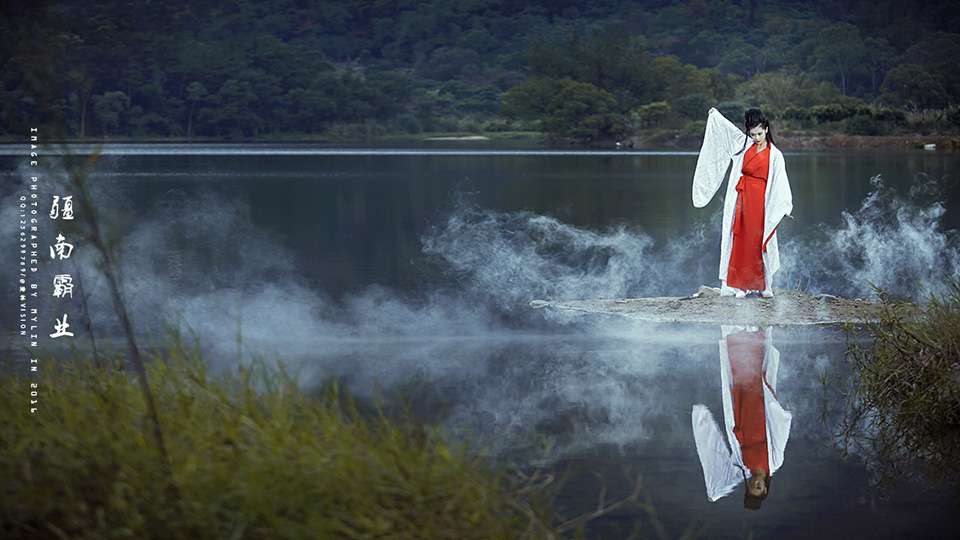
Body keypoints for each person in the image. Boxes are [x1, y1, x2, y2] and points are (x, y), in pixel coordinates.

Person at [691, 107, 793, 298]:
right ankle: (742, 286)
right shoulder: (743, 145)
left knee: (759, 241)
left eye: (760, 133)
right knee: (741, 241)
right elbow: (727, 130)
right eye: (753, 134)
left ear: (766, 129)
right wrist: (715, 116)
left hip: (761, 202)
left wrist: (783, 206)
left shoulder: (775, 155)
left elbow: (780, 182)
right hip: (742, 199)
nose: (756, 138)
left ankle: (765, 285)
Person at [691, 326, 792, 510]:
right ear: (765, 489)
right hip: (761, 412)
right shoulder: (774, 462)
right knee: (756, 371)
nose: (755, 484)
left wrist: (715, 495)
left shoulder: (741, 467)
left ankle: (737, 327)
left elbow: (718, 479)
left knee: (739, 372)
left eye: (751, 487)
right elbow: (780, 436)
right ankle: (757, 328)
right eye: (758, 488)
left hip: (742, 413)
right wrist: (781, 415)